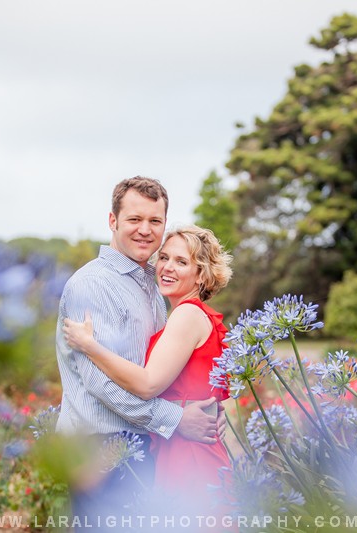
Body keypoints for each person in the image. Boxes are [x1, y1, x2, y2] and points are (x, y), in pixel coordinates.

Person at [54, 177, 220, 525]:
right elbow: (103, 384)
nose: (145, 230)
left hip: (141, 442)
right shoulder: (92, 286)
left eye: (155, 221)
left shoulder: (150, 283)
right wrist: (176, 420)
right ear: (113, 221)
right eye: (134, 219)